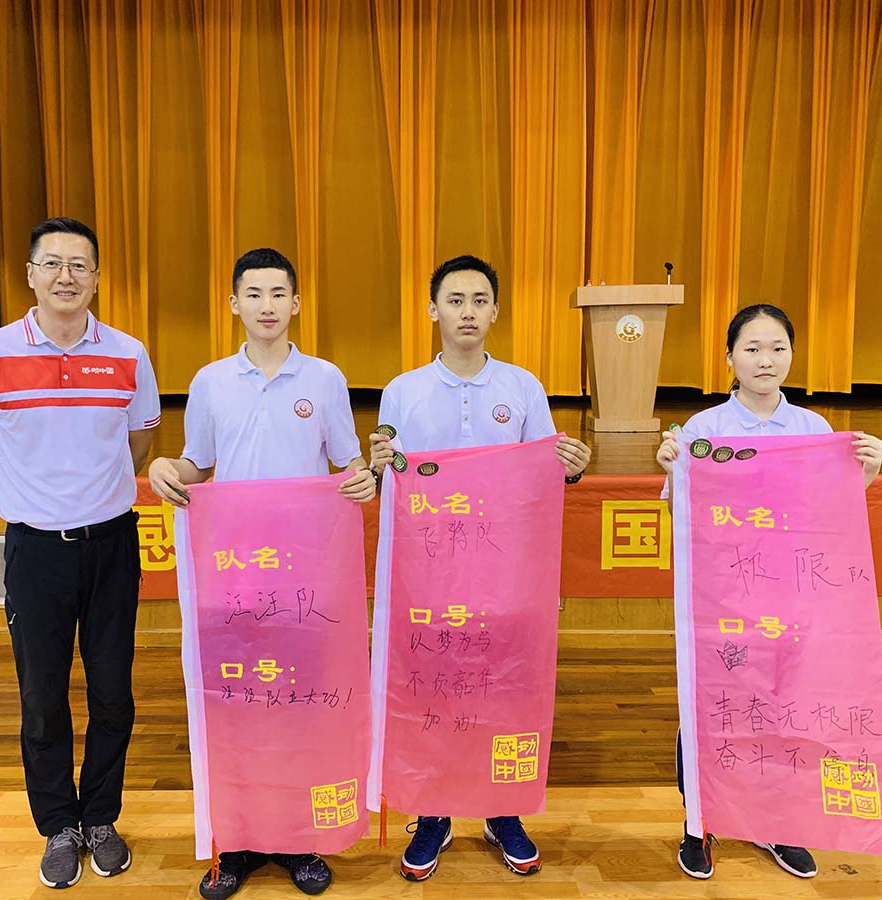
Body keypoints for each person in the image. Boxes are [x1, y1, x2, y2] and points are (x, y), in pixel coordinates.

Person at [147, 247, 377, 900]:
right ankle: (239, 840)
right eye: (254, 293)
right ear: (234, 304)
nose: (267, 305)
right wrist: (164, 469)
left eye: (279, 293)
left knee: (302, 705)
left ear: (297, 303)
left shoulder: (325, 379)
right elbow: (197, 466)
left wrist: (362, 479)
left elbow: (346, 463)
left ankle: (301, 839)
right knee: (239, 709)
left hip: (305, 579)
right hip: (236, 574)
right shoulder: (210, 381)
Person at [367, 254, 592, 882]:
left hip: (504, 569)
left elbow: (543, 471)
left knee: (502, 687)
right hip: (429, 570)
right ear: (433, 309)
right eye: (455, 300)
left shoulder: (522, 387)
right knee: (435, 687)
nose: (467, 312)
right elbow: (392, 477)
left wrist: (571, 466)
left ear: (495, 311)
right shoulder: (403, 389)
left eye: (479, 300)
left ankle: (501, 808)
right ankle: (433, 811)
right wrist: (380, 465)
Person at [0, 217, 161, 889]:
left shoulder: (128, 353)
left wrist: (91, 497)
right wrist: (32, 499)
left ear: (97, 278)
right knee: (42, 697)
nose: (66, 276)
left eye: (80, 265)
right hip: (36, 551)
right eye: (53, 264)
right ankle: (58, 827)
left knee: (112, 693)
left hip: (111, 547)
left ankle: (100, 818)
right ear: (31, 275)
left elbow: (138, 445)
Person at [655, 302, 882, 881]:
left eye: (777, 348)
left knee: (786, 710)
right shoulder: (704, 430)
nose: (766, 360)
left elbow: (830, 515)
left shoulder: (814, 429)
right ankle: (699, 823)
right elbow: (683, 516)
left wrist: (867, 472)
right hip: (723, 602)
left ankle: (779, 822)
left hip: (792, 601)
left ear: (791, 355)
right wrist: (671, 469)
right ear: (729, 357)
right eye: (752, 348)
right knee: (712, 708)